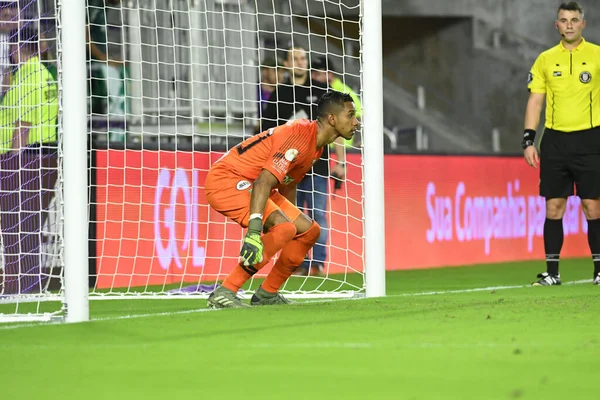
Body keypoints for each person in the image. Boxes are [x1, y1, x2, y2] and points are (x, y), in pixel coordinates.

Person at [205, 91, 359, 308]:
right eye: (351, 115)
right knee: (284, 228)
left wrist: (292, 220)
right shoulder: (299, 135)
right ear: (332, 119)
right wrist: (255, 231)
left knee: (308, 230)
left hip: (254, 182)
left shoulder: (316, 146)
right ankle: (226, 291)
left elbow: (287, 182)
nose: (356, 121)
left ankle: (267, 294)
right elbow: (263, 182)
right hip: (228, 181)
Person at [523, 1, 600, 286]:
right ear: (556, 25)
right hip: (554, 140)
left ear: (583, 24)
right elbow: (535, 100)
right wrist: (529, 139)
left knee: (593, 207)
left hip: (590, 138)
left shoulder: (597, 56)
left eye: (574, 19)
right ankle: (552, 273)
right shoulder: (545, 59)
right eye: (564, 20)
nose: (569, 24)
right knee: (554, 207)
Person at [262, 47, 347, 277]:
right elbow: (267, 132)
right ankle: (297, 263)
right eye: (295, 58)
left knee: (318, 215)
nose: (299, 62)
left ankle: (318, 264)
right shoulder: (280, 94)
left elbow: (336, 128)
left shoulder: (322, 91)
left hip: (317, 166)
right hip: (287, 169)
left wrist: (340, 161)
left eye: (303, 58)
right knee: (292, 216)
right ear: (287, 63)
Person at [0, 26, 59, 294]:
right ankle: (29, 284)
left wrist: (12, 163)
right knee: (31, 226)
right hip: (44, 157)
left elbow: (22, 126)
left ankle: (17, 285)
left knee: (15, 226)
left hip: (24, 161)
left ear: (14, 49)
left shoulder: (28, 77)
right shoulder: (44, 74)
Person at [86, 0, 127, 141]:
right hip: (92, 70)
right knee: (103, 108)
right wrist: (103, 58)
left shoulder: (106, 8)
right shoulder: (92, 5)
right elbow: (83, 35)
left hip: (99, 68)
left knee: (102, 111)